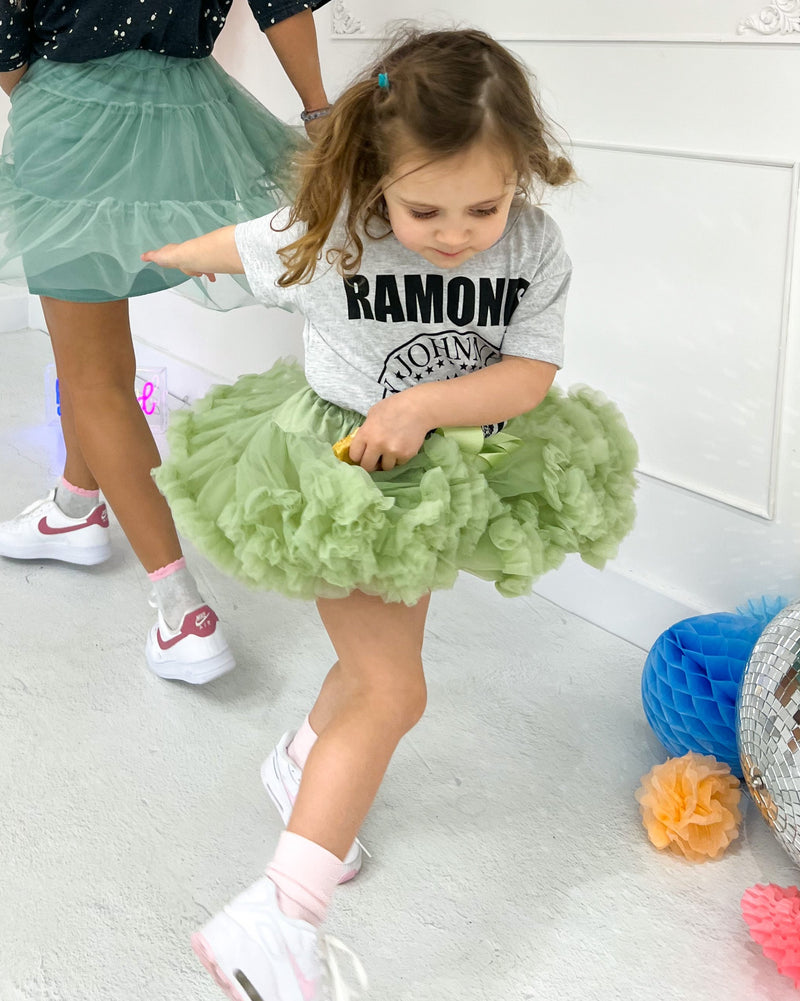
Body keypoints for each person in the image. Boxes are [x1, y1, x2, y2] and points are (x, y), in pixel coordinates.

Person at [143, 26, 639, 999]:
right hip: (339, 476)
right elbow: (230, 245)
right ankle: (277, 916)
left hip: (439, 465)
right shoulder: (332, 229)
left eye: (482, 207)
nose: (456, 233)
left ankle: (300, 761)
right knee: (393, 689)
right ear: (375, 174)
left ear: (521, 173)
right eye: (425, 209)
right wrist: (143, 251)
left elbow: (526, 372)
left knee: (374, 663)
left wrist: (417, 407)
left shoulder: (530, 246)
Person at [0, 0, 333, 685]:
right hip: (191, 113)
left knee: (89, 372)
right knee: (98, 353)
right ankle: (74, 504)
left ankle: (183, 613)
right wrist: (319, 111)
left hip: (69, 109)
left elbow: (7, 47)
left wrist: (40, 89)